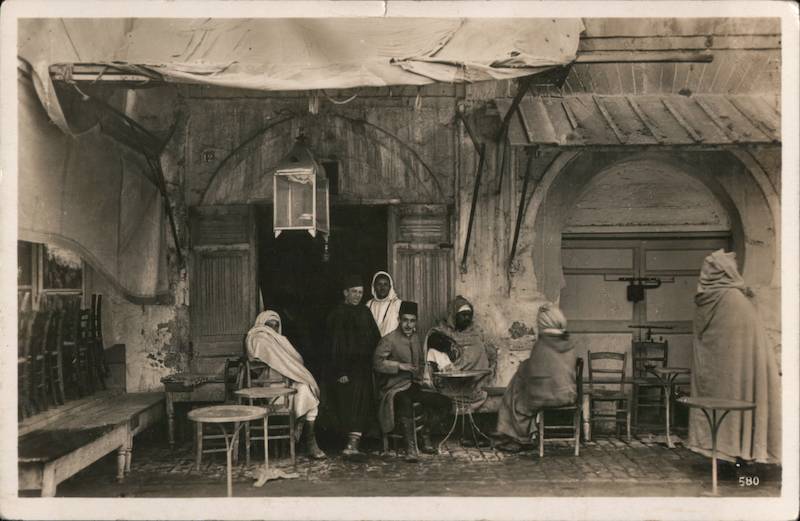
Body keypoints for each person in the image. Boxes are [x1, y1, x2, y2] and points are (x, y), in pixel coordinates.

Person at [687, 249, 781, 465]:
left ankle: (732, 450)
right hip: (733, 374)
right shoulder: (734, 299)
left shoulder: (731, 300)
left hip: (727, 374)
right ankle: (733, 448)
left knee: (730, 401)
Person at [245, 310, 326, 459]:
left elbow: (292, 360)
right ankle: (304, 433)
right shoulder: (258, 338)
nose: (273, 328)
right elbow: (277, 360)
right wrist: (290, 368)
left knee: (306, 390)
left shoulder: (280, 340)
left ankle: (308, 436)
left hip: (288, 383)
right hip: (270, 388)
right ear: (262, 323)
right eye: (269, 324)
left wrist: (292, 370)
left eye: (276, 325)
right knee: (305, 392)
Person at [494, 303, 576, 452]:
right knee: (519, 388)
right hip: (568, 394)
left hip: (549, 396)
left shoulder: (543, 343)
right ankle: (523, 435)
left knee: (515, 400)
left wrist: (524, 370)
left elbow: (537, 376)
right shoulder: (566, 342)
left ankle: (518, 438)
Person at [373, 301, 443, 462]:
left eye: (412, 321)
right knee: (405, 401)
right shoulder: (389, 340)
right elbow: (376, 363)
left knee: (442, 401)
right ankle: (410, 448)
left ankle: (424, 435)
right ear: (399, 319)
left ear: (416, 322)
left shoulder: (416, 338)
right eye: (405, 320)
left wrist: (423, 377)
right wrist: (399, 365)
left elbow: (420, 362)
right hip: (394, 388)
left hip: (413, 385)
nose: (408, 324)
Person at [325, 274, 382, 460]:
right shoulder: (337, 314)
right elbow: (333, 345)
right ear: (345, 293)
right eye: (354, 292)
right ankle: (348, 445)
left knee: (362, 404)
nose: (358, 295)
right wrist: (340, 371)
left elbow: (376, 338)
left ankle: (353, 445)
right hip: (344, 369)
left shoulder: (365, 312)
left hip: (363, 368)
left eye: (360, 292)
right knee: (347, 405)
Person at [426, 296, 497, 408]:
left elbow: (484, 356)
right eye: (463, 315)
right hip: (449, 380)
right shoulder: (443, 331)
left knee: (478, 348)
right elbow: (432, 343)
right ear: (454, 316)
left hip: (472, 382)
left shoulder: (475, 334)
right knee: (433, 351)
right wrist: (448, 348)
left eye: (469, 315)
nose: (467, 318)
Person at [366, 271, 403, 337]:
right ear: (374, 286)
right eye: (379, 284)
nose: (382, 288)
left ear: (390, 287)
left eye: (385, 284)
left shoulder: (397, 304)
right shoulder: (369, 304)